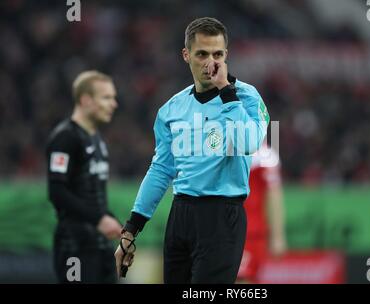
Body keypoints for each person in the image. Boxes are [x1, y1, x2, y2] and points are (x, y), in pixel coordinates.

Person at [115, 17, 270, 284]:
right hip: (181, 215)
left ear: (227, 55)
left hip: (222, 216)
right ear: (186, 55)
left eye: (218, 54)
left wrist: (226, 91)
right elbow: (161, 170)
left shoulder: (246, 97)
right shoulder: (172, 110)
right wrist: (131, 230)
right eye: (202, 54)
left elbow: (247, 143)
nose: (211, 62)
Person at [46, 70, 122, 283]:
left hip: (99, 246)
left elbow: (92, 194)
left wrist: (113, 221)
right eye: (106, 97)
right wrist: (100, 219)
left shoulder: (97, 140)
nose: (113, 104)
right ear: (86, 100)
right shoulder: (65, 139)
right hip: (74, 247)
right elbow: (57, 191)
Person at [237, 143, 287, 283]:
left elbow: (274, 196)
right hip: (229, 231)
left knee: (243, 279)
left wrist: (278, 235)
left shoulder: (265, 155)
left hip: (250, 233)